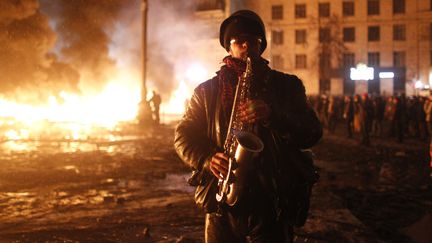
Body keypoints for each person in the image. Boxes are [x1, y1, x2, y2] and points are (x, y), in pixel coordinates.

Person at [174, 10, 322, 242]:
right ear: (228, 47)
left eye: (252, 40)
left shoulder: (288, 86)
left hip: (273, 202)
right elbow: (183, 137)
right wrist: (207, 158)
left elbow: (312, 132)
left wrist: (273, 116)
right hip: (222, 202)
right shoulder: (206, 92)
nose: (245, 45)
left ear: (261, 45)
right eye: (238, 41)